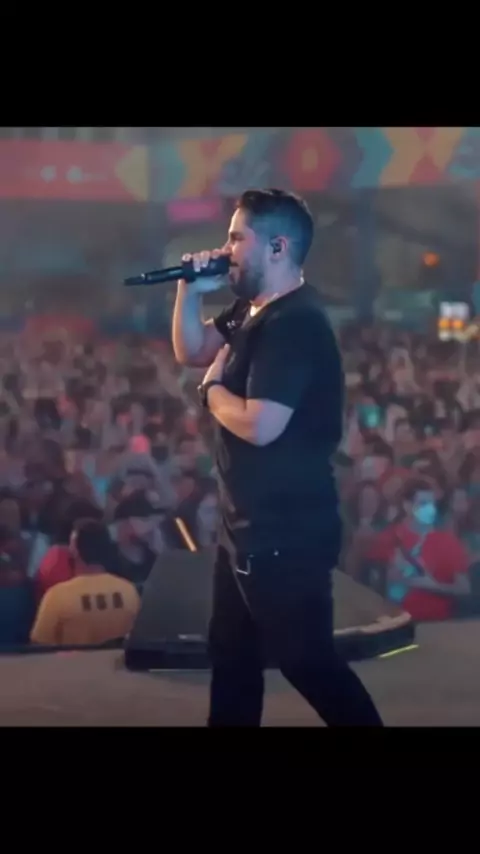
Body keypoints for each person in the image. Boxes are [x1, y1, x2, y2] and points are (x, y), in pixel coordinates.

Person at [172, 188, 383, 726]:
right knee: (232, 659)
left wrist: (211, 392)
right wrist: (189, 291)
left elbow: (262, 425)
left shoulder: (295, 323)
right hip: (244, 526)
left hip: (286, 533)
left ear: (277, 247)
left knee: (307, 662)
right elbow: (191, 349)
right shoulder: (252, 309)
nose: (225, 249)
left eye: (236, 238)